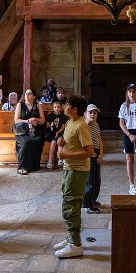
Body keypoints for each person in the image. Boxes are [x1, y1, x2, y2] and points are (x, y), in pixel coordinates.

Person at [53, 95, 95, 258]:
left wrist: (66, 156)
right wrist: (62, 143)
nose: (64, 106)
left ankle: (75, 244)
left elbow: (89, 152)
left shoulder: (81, 126)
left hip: (78, 170)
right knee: (68, 201)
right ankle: (71, 238)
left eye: (67, 104)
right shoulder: (70, 122)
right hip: (69, 168)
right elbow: (71, 142)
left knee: (71, 206)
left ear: (74, 109)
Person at [14, 88, 46, 175]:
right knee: (26, 141)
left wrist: (35, 119)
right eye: (26, 93)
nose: (27, 95)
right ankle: (21, 167)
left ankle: (33, 166)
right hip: (22, 131)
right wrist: (28, 121)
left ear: (34, 96)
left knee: (37, 140)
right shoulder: (20, 105)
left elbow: (42, 121)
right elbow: (16, 120)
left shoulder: (38, 105)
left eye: (30, 94)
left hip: (36, 130)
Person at [83, 104, 104, 213]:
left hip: (96, 152)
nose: (92, 114)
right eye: (90, 112)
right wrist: (95, 156)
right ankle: (88, 204)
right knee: (89, 180)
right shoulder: (84, 126)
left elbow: (99, 140)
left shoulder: (96, 125)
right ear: (85, 114)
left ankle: (93, 200)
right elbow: (85, 144)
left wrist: (101, 154)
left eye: (94, 113)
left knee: (96, 179)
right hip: (89, 154)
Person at [45, 100, 68, 170]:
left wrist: (58, 133)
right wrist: (51, 125)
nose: (57, 109)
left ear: (60, 108)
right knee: (53, 142)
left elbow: (63, 127)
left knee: (60, 141)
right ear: (53, 108)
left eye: (58, 107)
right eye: (55, 107)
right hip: (52, 132)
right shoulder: (50, 115)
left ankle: (60, 159)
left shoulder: (63, 116)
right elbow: (47, 125)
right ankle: (50, 161)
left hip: (60, 132)